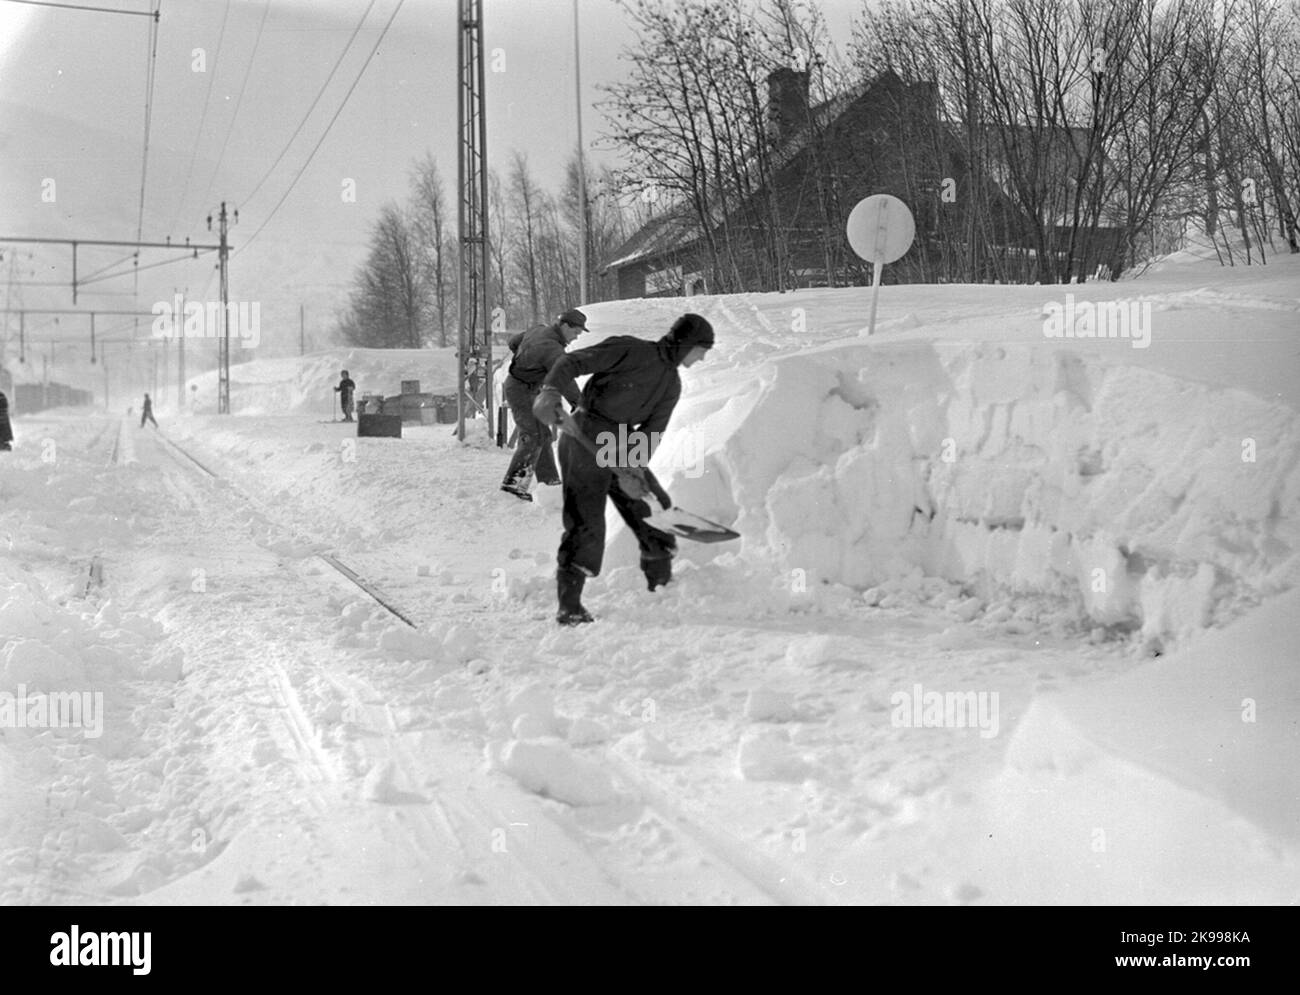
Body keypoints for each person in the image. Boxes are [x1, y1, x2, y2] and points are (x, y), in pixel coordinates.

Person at [533, 312, 714, 625]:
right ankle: (570, 607)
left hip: (619, 448)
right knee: (587, 523)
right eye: (702, 350)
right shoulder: (630, 350)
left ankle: (662, 591)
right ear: (686, 343)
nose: (701, 358)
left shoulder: (671, 384)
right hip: (583, 436)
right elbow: (572, 362)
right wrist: (550, 391)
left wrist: (634, 472)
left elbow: (650, 434)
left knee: (656, 508)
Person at [500, 308, 588, 501]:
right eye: (575, 332)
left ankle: (550, 485)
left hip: (528, 387)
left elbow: (513, 342)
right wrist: (579, 403)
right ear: (564, 326)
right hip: (520, 389)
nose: (575, 338)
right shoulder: (550, 347)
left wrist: (527, 361)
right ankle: (513, 484)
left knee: (543, 435)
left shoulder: (539, 329)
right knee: (531, 434)